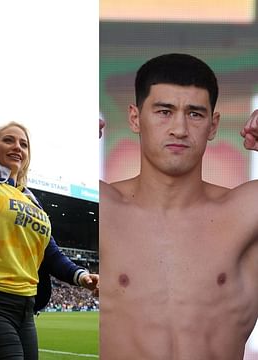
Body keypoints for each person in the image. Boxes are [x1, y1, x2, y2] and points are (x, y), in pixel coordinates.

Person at [0, 23, 99, 360]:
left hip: (26, 311)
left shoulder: (31, 199)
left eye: (23, 143)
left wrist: (80, 275)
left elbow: (49, 253)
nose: (17, 147)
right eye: (8, 139)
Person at [100, 53, 258, 359]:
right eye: (164, 111)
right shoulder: (105, 208)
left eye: (195, 114)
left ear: (213, 126)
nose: (180, 129)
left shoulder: (246, 213)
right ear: (135, 118)